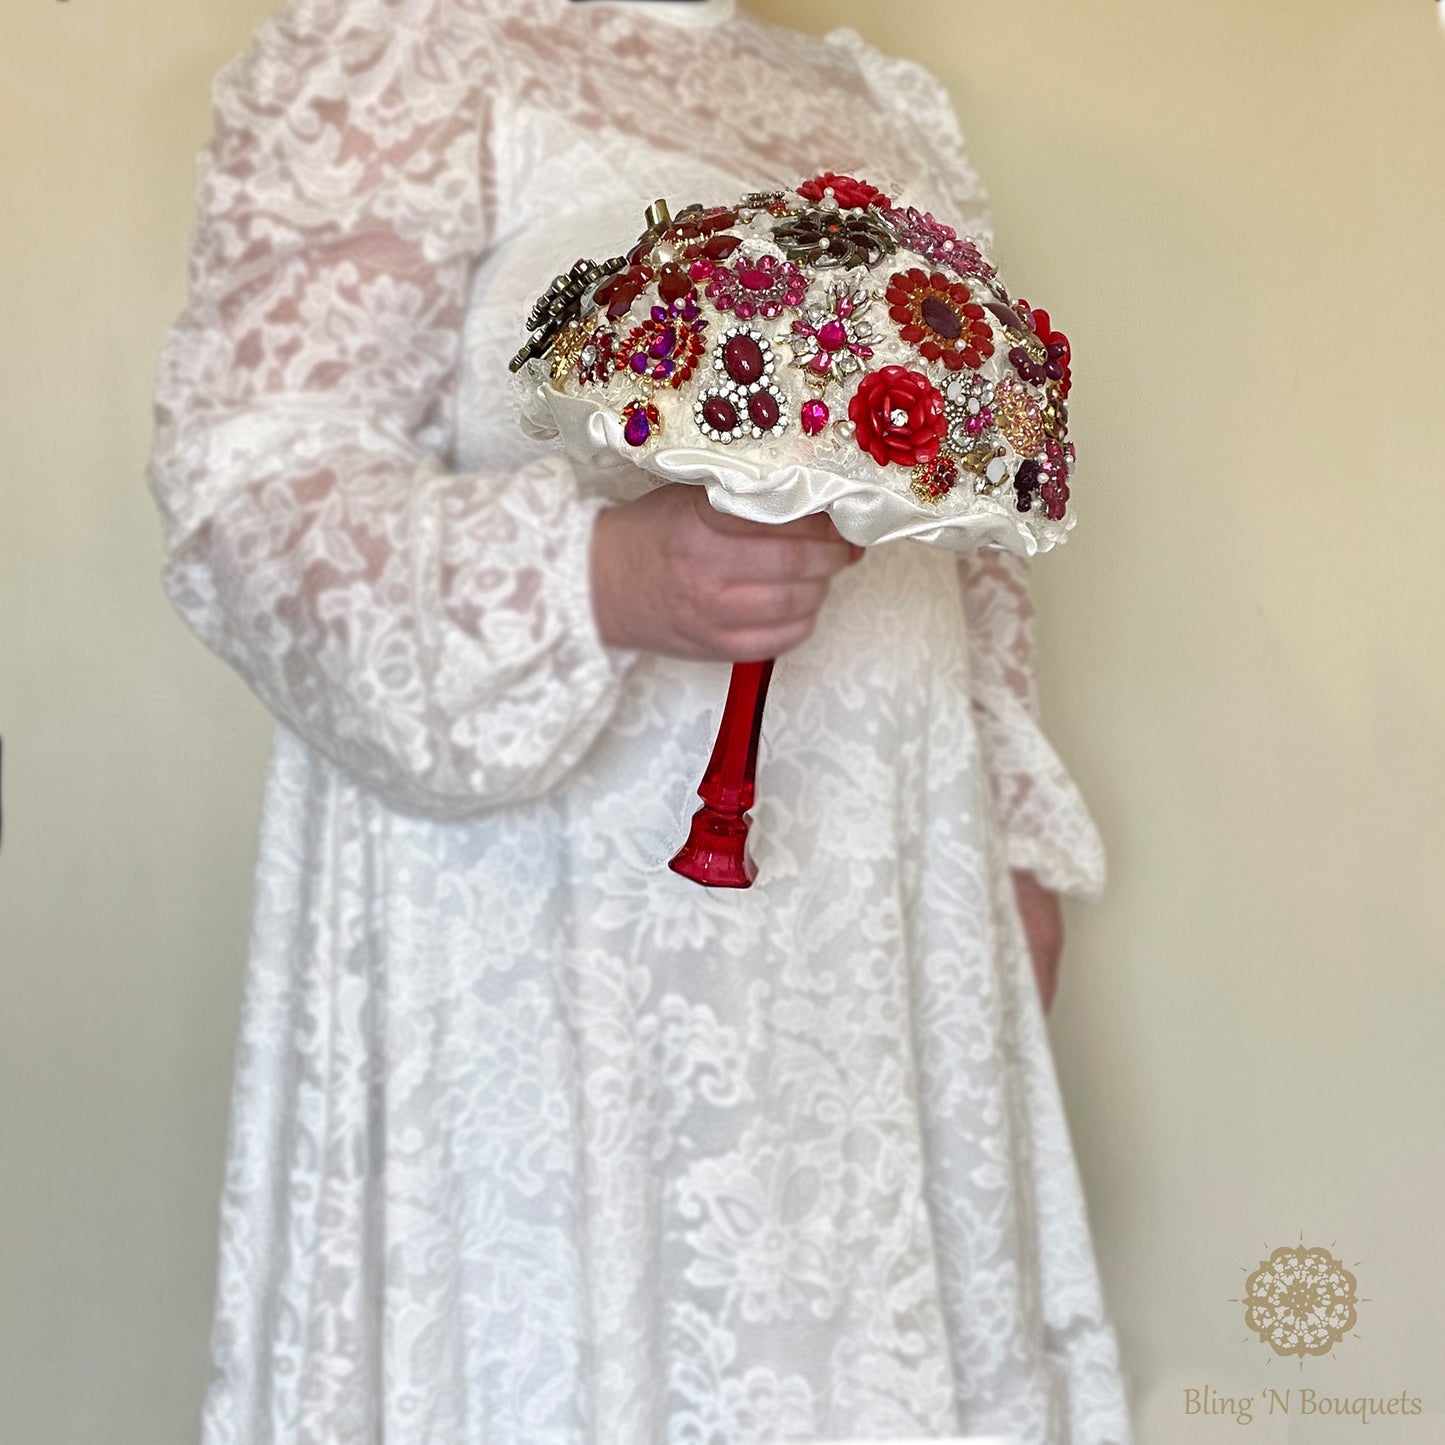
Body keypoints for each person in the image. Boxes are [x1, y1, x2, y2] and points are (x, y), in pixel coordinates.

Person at [147, 0, 1132, 1440]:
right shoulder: (402, 46)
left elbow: (961, 539)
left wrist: (1007, 842)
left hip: (873, 909)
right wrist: (594, 574)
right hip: (560, 921)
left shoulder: (878, 107)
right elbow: (253, 487)